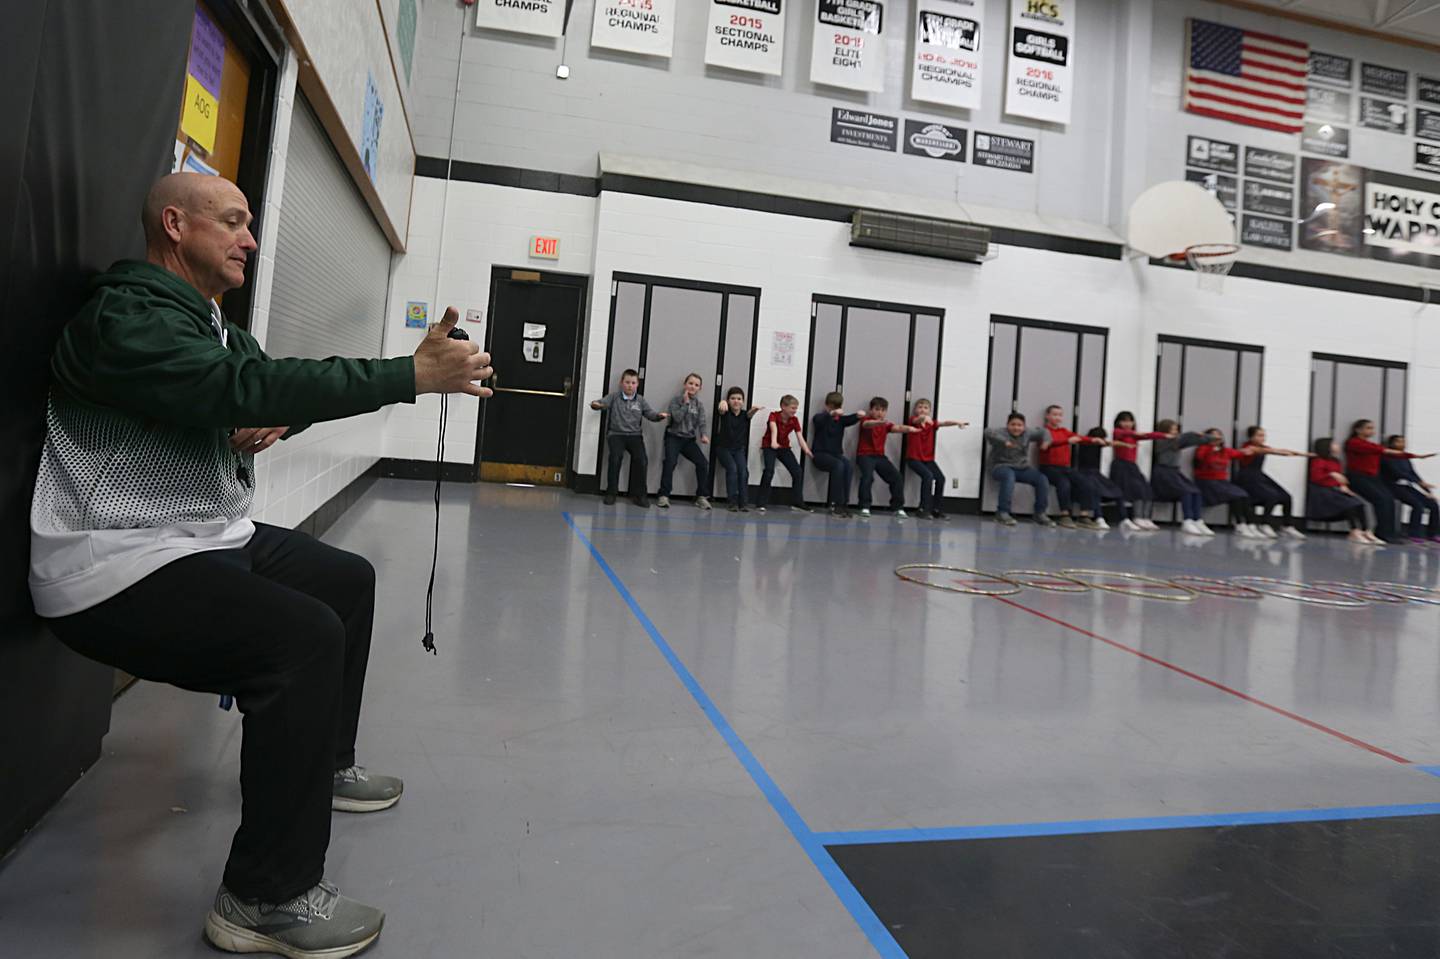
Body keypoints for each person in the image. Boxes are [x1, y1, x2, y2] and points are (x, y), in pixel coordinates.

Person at [29, 173, 494, 958]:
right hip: (110, 560)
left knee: (345, 581)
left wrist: (281, 406)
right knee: (302, 636)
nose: (249, 237)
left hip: (200, 537)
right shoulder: (126, 318)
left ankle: (325, 765)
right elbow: (238, 385)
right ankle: (263, 898)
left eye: (250, 223)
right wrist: (404, 376)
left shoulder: (210, 324)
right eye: (233, 222)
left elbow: (262, 382)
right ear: (174, 225)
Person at [1343, 419, 1431, 544]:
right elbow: (1385, 451)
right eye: (1368, 428)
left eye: (1372, 428)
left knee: (1389, 499)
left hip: (1372, 478)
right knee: (1381, 500)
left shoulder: (1370, 444)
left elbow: (1383, 452)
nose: (1371, 431)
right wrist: (1413, 455)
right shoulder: (1354, 443)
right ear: (1358, 430)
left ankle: (1389, 533)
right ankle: (1382, 533)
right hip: (1358, 477)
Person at [590, 369, 667, 507]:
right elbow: (601, 403)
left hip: (634, 436)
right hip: (616, 435)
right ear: (621, 383)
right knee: (615, 458)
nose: (630, 385)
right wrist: (596, 405)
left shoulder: (640, 400)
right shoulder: (614, 397)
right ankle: (611, 492)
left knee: (642, 460)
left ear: (637, 384)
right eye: (627, 382)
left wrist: (659, 416)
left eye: (633, 383)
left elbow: (650, 414)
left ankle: (640, 495)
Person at [1037, 404, 1107, 530]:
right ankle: (1064, 515)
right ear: (1047, 416)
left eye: (1060, 415)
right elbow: (1047, 445)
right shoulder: (1043, 431)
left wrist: (1093, 440)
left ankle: (1084, 516)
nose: (1057, 417)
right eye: (1054, 414)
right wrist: (1067, 441)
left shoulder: (1064, 431)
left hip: (1065, 467)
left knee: (1086, 482)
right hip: (1048, 467)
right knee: (1063, 483)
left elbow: (1079, 438)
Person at [1235, 426, 1308, 540]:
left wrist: (1300, 454)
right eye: (1259, 435)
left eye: (1263, 435)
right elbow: (1274, 451)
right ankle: (1265, 524)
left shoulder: (1264, 447)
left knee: (1287, 496)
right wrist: (1286, 453)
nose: (1263, 438)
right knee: (1272, 496)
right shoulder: (1247, 447)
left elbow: (1279, 451)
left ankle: (1287, 526)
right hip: (1247, 477)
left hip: (1259, 475)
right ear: (1251, 437)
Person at [1193, 429, 1266, 538]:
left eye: (1219, 436)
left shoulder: (1225, 451)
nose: (1217, 438)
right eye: (1213, 436)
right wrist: (1210, 447)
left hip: (1222, 482)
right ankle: (1240, 525)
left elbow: (1241, 454)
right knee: (1236, 495)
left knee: (1243, 495)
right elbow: (1200, 457)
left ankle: (1250, 525)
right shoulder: (1202, 449)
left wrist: (1253, 451)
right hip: (1207, 482)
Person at [982, 413, 1052, 527]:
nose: (1016, 428)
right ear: (1007, 425)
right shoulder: (1001, 432)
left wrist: (1046, 441)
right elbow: (987, 432)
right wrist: (1004, 441)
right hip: (1000, 466)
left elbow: (1044, 432)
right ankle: (1002, 512)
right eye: (1013, 424)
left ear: (1024, 426)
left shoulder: (1028, 433)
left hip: (1022, 468)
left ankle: (1040, 513)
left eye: (1019, 425)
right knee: (1009, 476)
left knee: (1041, 479)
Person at [1309, 438, 1383, 545]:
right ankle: (1354, 531)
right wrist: (1332, 474)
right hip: (1323, 492)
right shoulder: (1318, 460)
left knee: (1359, 503)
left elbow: (1340, 480)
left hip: (1335, 490)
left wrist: (1343, 486)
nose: (1337, 446)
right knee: (1350, 505)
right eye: (1334, 444)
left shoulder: (1336, 461)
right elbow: (1316, 478)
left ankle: (1365, 530)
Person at [855, 397, 919, 518]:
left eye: (883, 410)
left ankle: (898, 508)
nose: (880, 413)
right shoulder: (866, 420)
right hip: (864, 456)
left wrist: (910, 429)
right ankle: (864, 506)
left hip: (879, 457)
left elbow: (898, 428)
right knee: (868, 478)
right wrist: (880, 422)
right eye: (877, 409)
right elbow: (867, 425)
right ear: (871, 410)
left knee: (897, 477)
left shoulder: (886, 424)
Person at [904, 399, 966, 520]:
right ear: (915, 410)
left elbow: (945, 423)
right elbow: (918, 420)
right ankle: (923, 509)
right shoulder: (912, 420)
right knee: (928, 476)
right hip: (913, 458)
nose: (922, 409)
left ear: (930, 411)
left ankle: (936, 509)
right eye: (920, 407)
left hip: (928, 460)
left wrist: (958, 422)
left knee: (940, 478)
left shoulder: (932, 423)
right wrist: (923, 419)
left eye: (926, 408)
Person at [657, 372, 711, 511]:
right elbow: (677, 419)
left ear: (700, 388)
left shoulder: (699, 405)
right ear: (685, 385)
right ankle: (664, 495)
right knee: (670, 463)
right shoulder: (676, 401)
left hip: (688, 441)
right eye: (691, 383)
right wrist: (686, 404)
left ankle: (701, 497)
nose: (693, 387)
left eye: (696, 385)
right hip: (673, 437)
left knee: (703, 463)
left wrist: (703, 435)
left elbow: (702, 422)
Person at [1150, 419, 1210, 536]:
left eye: (1176, 429)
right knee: (1185, 491)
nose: (1176, 432)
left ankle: (1197, 520)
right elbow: (1184, 438)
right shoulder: (1162, 441)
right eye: (1173, 429)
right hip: (1164, 471)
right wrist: (1192, 434)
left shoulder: (1176, 441)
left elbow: (1193, 441)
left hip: (1175, 471)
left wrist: (1208, 437)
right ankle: (1187, 520)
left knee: (1196, 491)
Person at [757, 394, 814, 513]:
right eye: (793, 408)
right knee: (769, 471)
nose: (795, 410)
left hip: (783, 447)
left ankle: (797, 502)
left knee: (797, 472)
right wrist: (773, 441)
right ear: (783, 406)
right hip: (770, 446)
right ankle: (761, 503)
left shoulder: (794, 420)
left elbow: (800, 436)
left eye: (796, 408)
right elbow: (773, 428)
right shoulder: (774, 415)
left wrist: (807, 450)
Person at [1382, 434, 1440, 543]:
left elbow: (1413, 474)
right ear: (1391, 443)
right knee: (1418, 505)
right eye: (1398, 442)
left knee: (1433, 504)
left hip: (1407, 485)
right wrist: (1417, 481)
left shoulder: (1405, 458)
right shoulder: (1387, 457)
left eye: (1403, 442)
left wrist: (1427, 490)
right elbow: (1397, 473)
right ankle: (1414, 533)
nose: (1401, 444)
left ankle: (1433, 533)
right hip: (1393, 486)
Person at [1110, 411, 1162, 530]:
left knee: (1146, 489)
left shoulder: (1134, 435)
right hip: (1121, 465)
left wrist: (1164, 435)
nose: (1127, 423)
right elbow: (1122, 433)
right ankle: (1136, 517)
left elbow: (1149, 435)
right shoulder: (1118, 432)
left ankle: (1145, 518)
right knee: (1134, 490)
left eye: (1130, 421)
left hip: (1132, 466)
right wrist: (1136, 434)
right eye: (1124, 421)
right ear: (1118, 422)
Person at [1076, 427, 1136, 530]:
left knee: (1117, 490)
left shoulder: (1099, 445)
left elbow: (1113, 443)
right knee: (1095, 490)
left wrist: (1126, 445)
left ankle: (1125, 519)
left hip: (1096, 473)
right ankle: (1099, 518)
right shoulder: (1085, 443)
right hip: (1085, 473)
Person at [810, 392, 859, 518]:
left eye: (837, 407)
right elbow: (818, 420)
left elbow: (850, 419)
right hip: (820, 455)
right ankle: (834, 503)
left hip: (835, 454)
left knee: (847, 465)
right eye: (832, 407)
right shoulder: (820, 418)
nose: (835, 410)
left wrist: (858, 416)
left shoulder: (841, 421)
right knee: (838, 465)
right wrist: (830, 414)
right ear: (827, 406)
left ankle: (843, 504)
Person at [714, 387, 762, 512]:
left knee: (743, 472)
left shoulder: (744, 414)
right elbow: (721, 408)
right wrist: (722, 402)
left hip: (738, 449)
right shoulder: (725, 412)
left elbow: (749, 415)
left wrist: (755, 410)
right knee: (732, 469)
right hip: (723, 449)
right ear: (728, 401)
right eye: (733, 398)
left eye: (739, 399)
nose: (736, 401)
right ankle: (732, 501)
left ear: (743, 401)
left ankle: (743, 503)